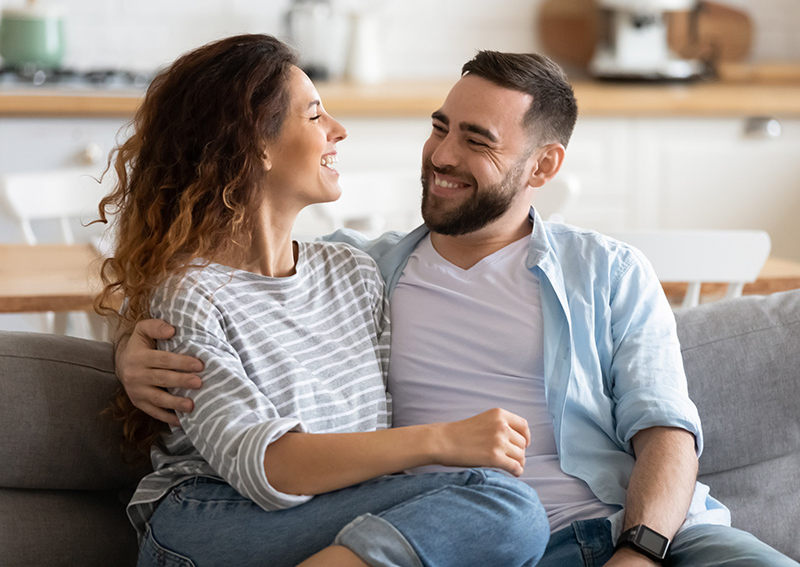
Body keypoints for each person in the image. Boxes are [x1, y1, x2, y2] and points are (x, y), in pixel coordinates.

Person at [116, 49, 799, 566]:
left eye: (476, 140)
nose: (441, 155)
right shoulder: (374, 268)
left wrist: (640, 552)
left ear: (543, 166)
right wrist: (129, 352)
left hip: (638, 536)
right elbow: (223, 281)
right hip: (479, 541)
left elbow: (669, 434)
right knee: (505, 511)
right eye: (440, 127)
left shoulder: (608, 272)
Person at [96, 34, 550, 567]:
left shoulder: (355, 272)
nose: (338, 131)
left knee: (503, 511)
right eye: (314, 116)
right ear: (254, 144)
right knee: (507, 507)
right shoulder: (187, 294)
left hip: (331, 519)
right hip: (209, 517)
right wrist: (443, 441)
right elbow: (264, 465)